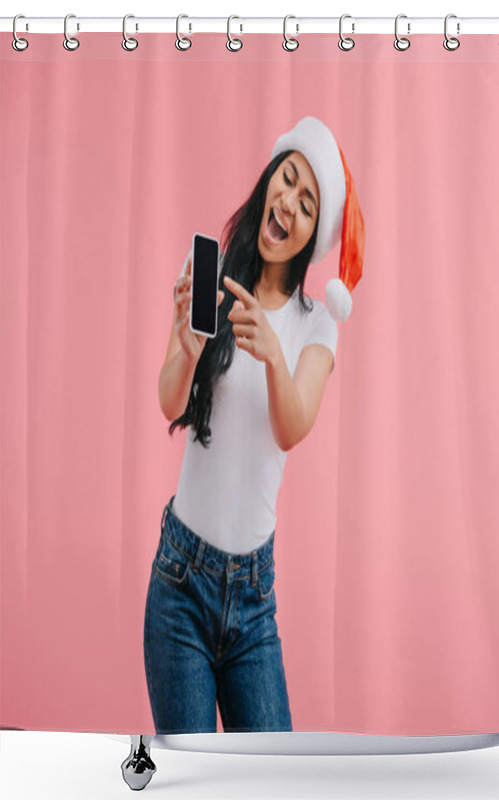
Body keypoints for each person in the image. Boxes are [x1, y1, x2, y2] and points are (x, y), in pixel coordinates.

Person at [143, 116, 365, 734]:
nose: (288, 203)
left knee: (274, 776)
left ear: (313, 232)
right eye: (286, 181)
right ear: (268, 180)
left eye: (306, 202)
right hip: (179, 584)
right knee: (197, 780)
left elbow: (293, 427)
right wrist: (188, 348)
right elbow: (168, 401)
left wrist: (271, 354)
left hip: (252, 599)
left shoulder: (316, 324)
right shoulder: (212, 278)